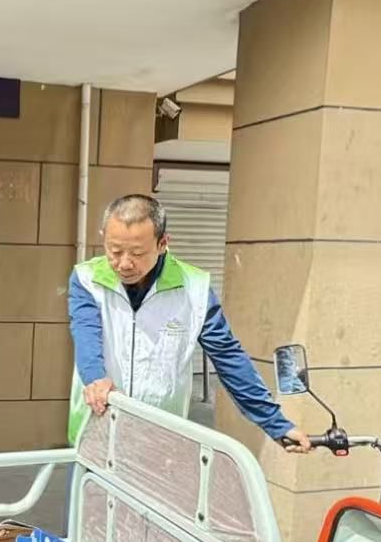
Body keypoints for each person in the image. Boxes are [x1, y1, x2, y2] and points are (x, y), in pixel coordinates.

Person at [68, 194, 311, 452]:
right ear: (103, 237)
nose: (125, 263)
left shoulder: (194, 288)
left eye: (137, 253)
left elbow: (228, 356)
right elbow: (86, 335)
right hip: (97, 432)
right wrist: (96, 379)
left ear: (163, 243)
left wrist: (276, 424)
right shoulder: (86, 279)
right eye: (115, 251)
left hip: (161, 439)